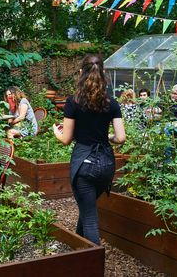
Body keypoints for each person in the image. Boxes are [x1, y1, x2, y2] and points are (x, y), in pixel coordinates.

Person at [53, 54, 125, 245]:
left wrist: (55, 132)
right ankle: (78, 248)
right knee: (87, 207)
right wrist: (107, 136)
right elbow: (121, 138)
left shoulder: (73, 102)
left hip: (84, 165)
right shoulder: (112, 103)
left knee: (90, 217)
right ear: (103, 73)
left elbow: (66, 139)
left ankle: (94, 263)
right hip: (106, 165)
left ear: (80, 74)